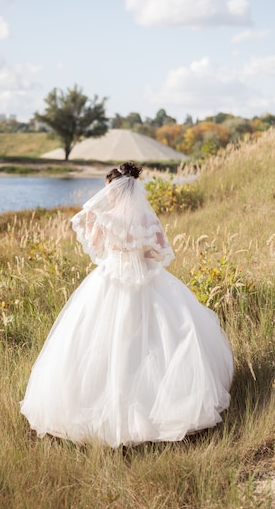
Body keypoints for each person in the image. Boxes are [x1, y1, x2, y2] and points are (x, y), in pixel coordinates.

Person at [20, 162, 234, 447]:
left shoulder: (106, 218)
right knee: (158, 338)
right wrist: (137, 248)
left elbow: (96, 249)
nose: (107, 194)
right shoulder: (147, 218)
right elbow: (158, 250)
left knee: (107, 340)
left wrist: (102, 228)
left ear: (117, 189)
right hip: (147, 278)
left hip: (112, 279)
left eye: (109, 188)